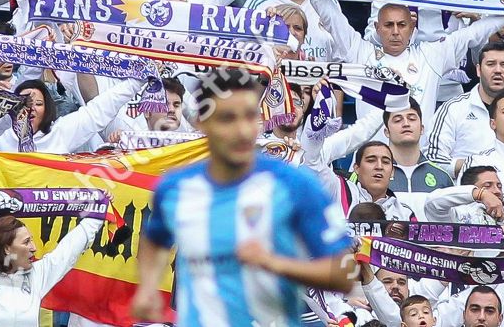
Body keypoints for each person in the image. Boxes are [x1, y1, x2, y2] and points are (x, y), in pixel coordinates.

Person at [133, 68, 356, 327]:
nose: (241, 130)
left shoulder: (295, 185)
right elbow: (153, 241)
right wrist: (148, 288)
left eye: (249, 117)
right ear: (201, 123)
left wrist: (273, 263)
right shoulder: (176, 187)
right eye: (227, 118)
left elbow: (343, 275)